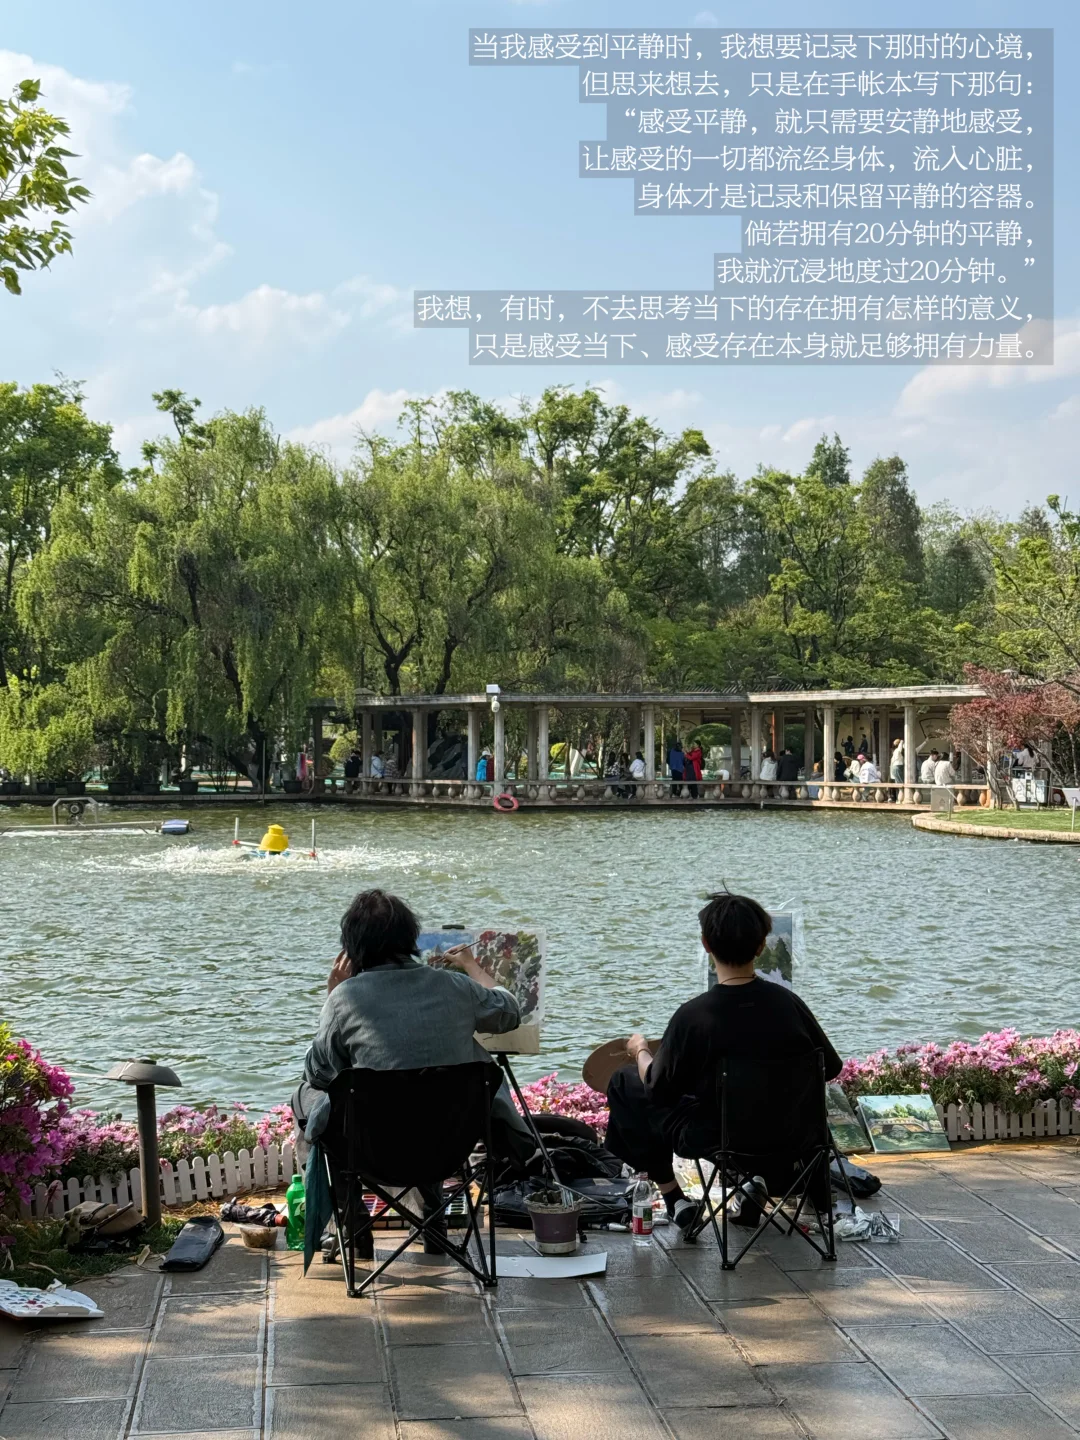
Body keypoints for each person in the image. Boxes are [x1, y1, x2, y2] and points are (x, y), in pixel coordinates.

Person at [294, 890, 537, 1244]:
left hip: (374, 1153)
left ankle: (351, 1227)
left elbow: (317, 1073)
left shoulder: (345, 998)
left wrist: (332, 997)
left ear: (352, 948)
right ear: (411, 938)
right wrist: (472, 966)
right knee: (428, 1098)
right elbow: (511, 1011)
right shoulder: (457, 986)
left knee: (305, 1097)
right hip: (447, 1149)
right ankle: (431, 1223)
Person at [604, 891, 842, 1231]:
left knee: (626, 1082)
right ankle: (751, 1183)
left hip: (721, 1141)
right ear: (761, 946)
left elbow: (657, 1088)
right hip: (792, 1139)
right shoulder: (789, 1005)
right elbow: (831, 1067)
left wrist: (641, 1050)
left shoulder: (693, 1017)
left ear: (706, 945)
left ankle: (674, 1199)